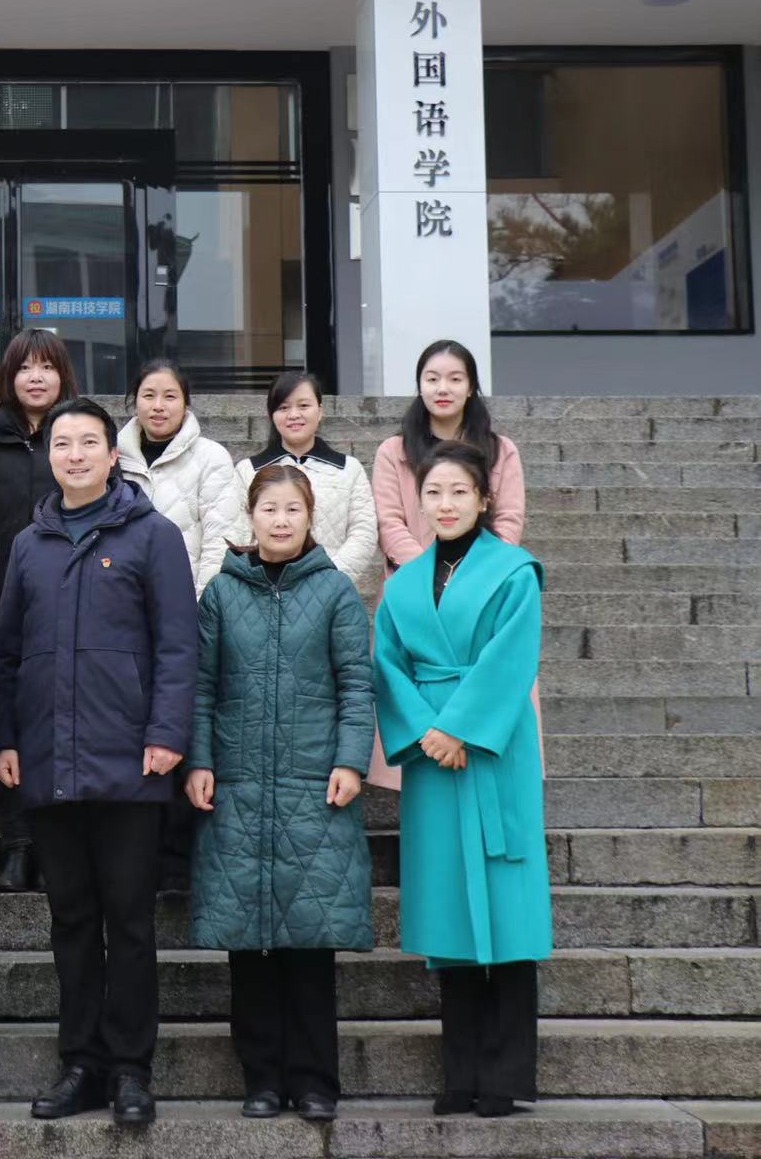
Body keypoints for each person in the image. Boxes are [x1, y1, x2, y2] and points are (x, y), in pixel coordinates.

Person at [0, 396, 197, 1127]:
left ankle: (132, 1070)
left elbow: (178, 644)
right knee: (72, 921)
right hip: (50, 762)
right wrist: (6, 739)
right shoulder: (29, 544)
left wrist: (167, 732)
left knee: (131, 922)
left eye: (88, 443)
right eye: (62, 444)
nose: (74, 455)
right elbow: (6, 654)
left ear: (114, 456)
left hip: (130, 764)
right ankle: (80, 1063)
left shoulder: (153, 535)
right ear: (49, 457)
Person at [186, 464, 375, 1122]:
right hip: (237, 784)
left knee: (310, 940)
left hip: (313, 786)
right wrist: (199, 761)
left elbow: (357, 685)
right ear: (251, 515)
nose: (281, 520)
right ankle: (261, 1078)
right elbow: (201, 687)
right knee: (249, 945)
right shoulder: (221, 593)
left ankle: (315, 1081)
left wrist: (351, 761)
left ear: (310, 515)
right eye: (269, 508)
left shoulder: (334, 590)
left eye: (292, 509)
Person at [373, 439, 550, 1119]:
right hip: (432, 757)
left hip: (493, 751)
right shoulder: (403, 583)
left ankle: (502, 1075)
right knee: (450, 909)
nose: (444, 504)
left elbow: (512, 658)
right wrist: (427, 731)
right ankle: (459, 1073)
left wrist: (460, 728)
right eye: (433, 493)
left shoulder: (514, 572)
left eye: (458, 492)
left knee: (505, 910)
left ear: (483, 499)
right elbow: (387, 664)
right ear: (418, 502)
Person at [369, 338, 527, 789]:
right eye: (432, 378)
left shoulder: (501, 451)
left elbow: (508, 519)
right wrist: (430, 575)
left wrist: (475, 576)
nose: (443, 388)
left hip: (484, 596)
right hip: (415, 597)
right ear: (419, 385)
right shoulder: (394, 451)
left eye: (455, 379)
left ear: (472, 386)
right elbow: (389, 521)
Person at [0, 329, 77, 893]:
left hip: (70, 598)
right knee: (5, 715)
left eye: (47, 366)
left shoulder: (78, 436)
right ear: (8, 377)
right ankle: (16, 844)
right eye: (25, 367)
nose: (36, 377)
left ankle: (55, 841)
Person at [227, 371, 380, 591]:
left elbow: (363, 533)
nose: (294, 415)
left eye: (304, 405)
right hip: (265, 591)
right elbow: (239, 532)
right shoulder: (248, 470)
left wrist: (328, 580)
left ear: (320, 411)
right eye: (283, 407)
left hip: (330, 592)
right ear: (271, 415)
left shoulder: (349, 469)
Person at [116, 358, 243, 596]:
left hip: (185, 599)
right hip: (123, 600)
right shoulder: (112, 458)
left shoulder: (211, 457)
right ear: (135, 402)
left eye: (170, 396)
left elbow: (220, 541)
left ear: (186, 404)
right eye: (149, 395)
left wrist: (203, 603)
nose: (158, 406)